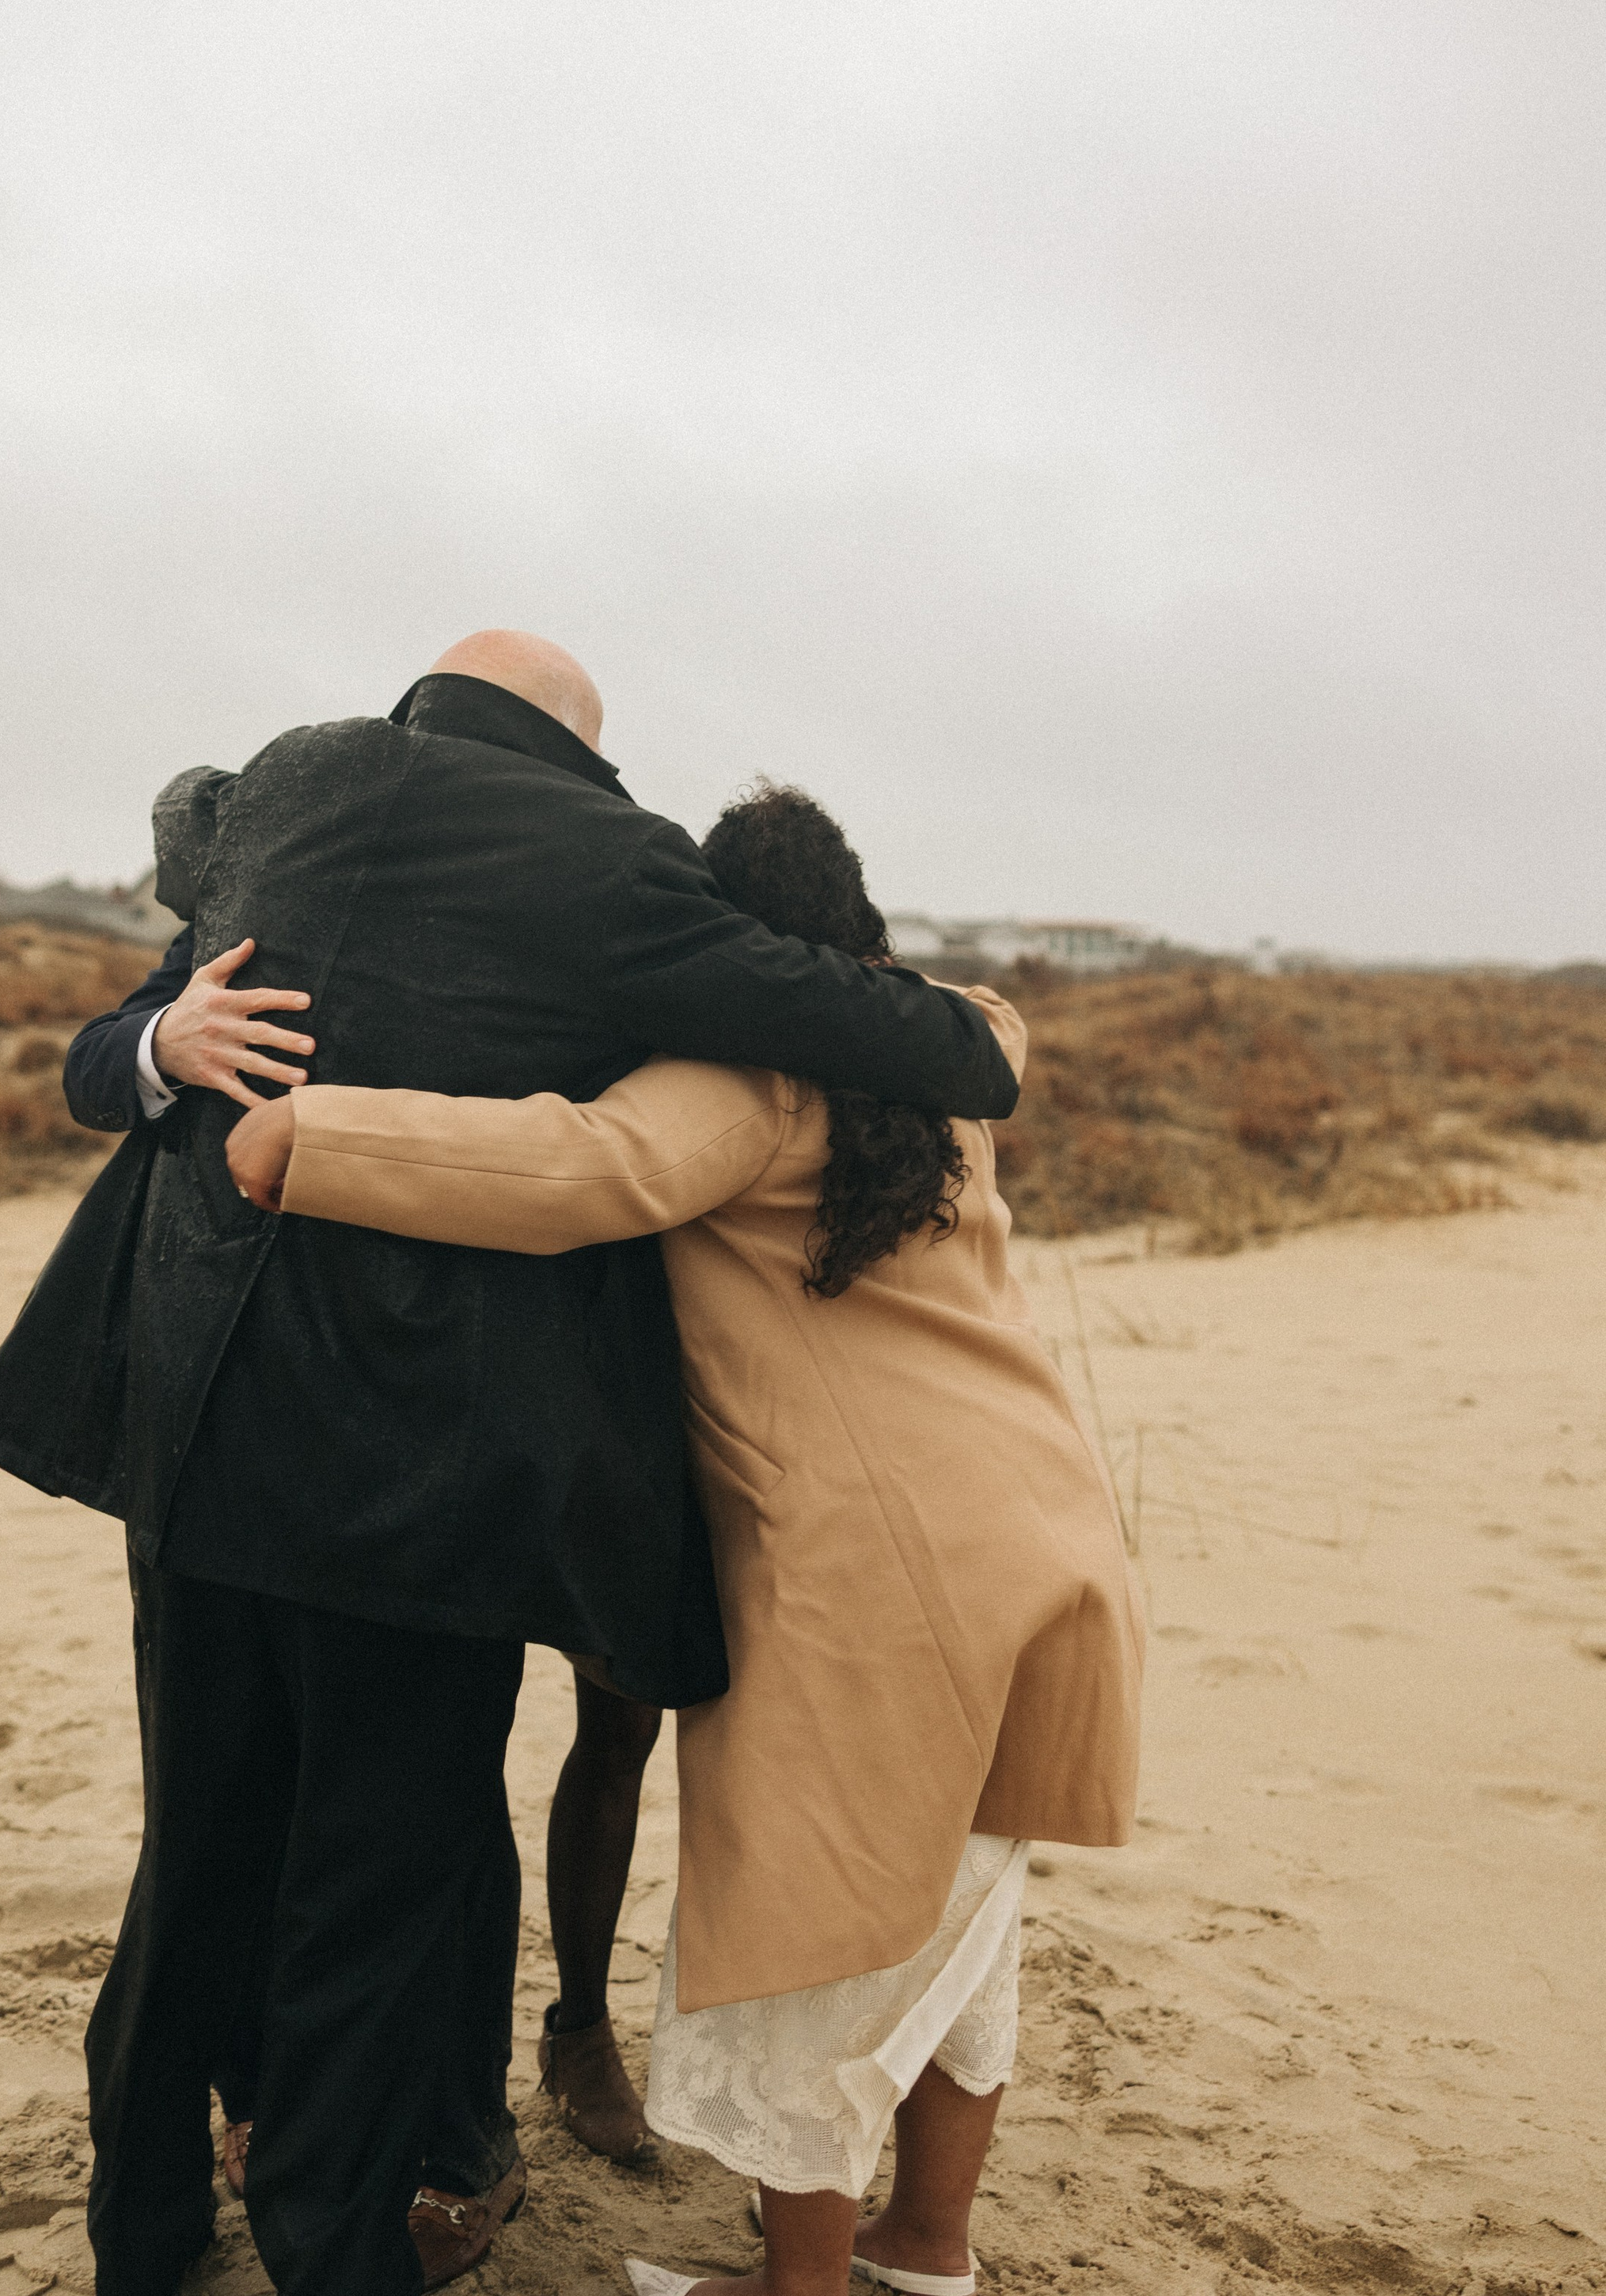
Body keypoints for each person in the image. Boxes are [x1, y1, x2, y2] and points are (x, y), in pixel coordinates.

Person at [0, 639, 1021, 2296]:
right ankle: (339, 2241)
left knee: (202, 1843)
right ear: (581, 756)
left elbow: (111, 1034)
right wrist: (983, 1041)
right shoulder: (609, 865)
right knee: (385, 1876)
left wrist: (157, 1042)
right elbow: (854, 1028)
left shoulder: (280, 791)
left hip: (191, 1437)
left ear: (418, 707)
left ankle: (149, 2229)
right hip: (419, 1481)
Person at [224, 781, 1145, 2296]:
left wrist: (307, 1135)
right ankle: (925, 2248)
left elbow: (573, 1166)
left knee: (823, 1943)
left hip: (877, 1573)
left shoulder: (756, 1087)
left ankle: (801, 2291)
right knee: (967, 1924)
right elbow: (989, 1018)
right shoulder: (948, 1056)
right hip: (1044, 1532)